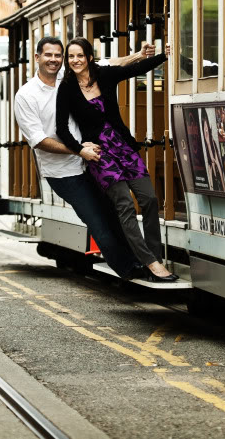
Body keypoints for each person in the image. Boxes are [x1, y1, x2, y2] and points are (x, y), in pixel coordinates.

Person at [13, 36, 145, 282]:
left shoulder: (69, 77)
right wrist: (78, 150)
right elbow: (39, 140)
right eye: (48, 55)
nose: (53, 60)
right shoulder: (26, 96)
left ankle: (142, 263)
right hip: (64, 173)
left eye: (57, 55)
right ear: (37, 57)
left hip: (91, 163)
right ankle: (130, 272)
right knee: (98, 222)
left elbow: (108, 64)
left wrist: (138, 56)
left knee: (118, 212)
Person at [55, 37, 177, 282]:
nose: (75, 60)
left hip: (124, 148)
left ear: (89, 57)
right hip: (100, 155)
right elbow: (61, 128)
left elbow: (134, 69)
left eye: (80, 55)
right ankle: (150, 263)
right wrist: (80, 150)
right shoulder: (67, 87)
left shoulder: (104, 75)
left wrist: (165, 55)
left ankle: (155, 255)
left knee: (150, 199)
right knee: (125, 206)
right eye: (71, 57)